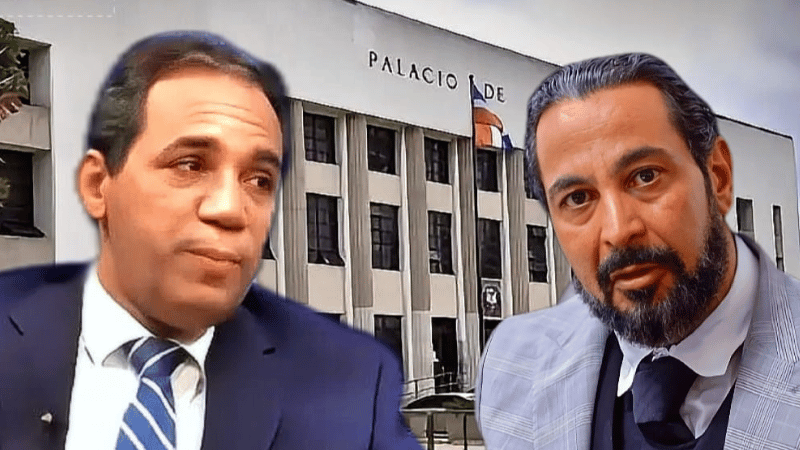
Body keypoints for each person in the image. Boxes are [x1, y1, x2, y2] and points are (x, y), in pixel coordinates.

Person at [0, 31, 420, 450]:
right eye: (190, 165)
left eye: (259, 180)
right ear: (98, 185)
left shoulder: (352, 387)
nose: (230, 210)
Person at [476, 53, 800, 450]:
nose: (618, 231)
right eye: (578, 198)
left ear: (717, 178)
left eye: (645, 176)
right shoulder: (510, 367)